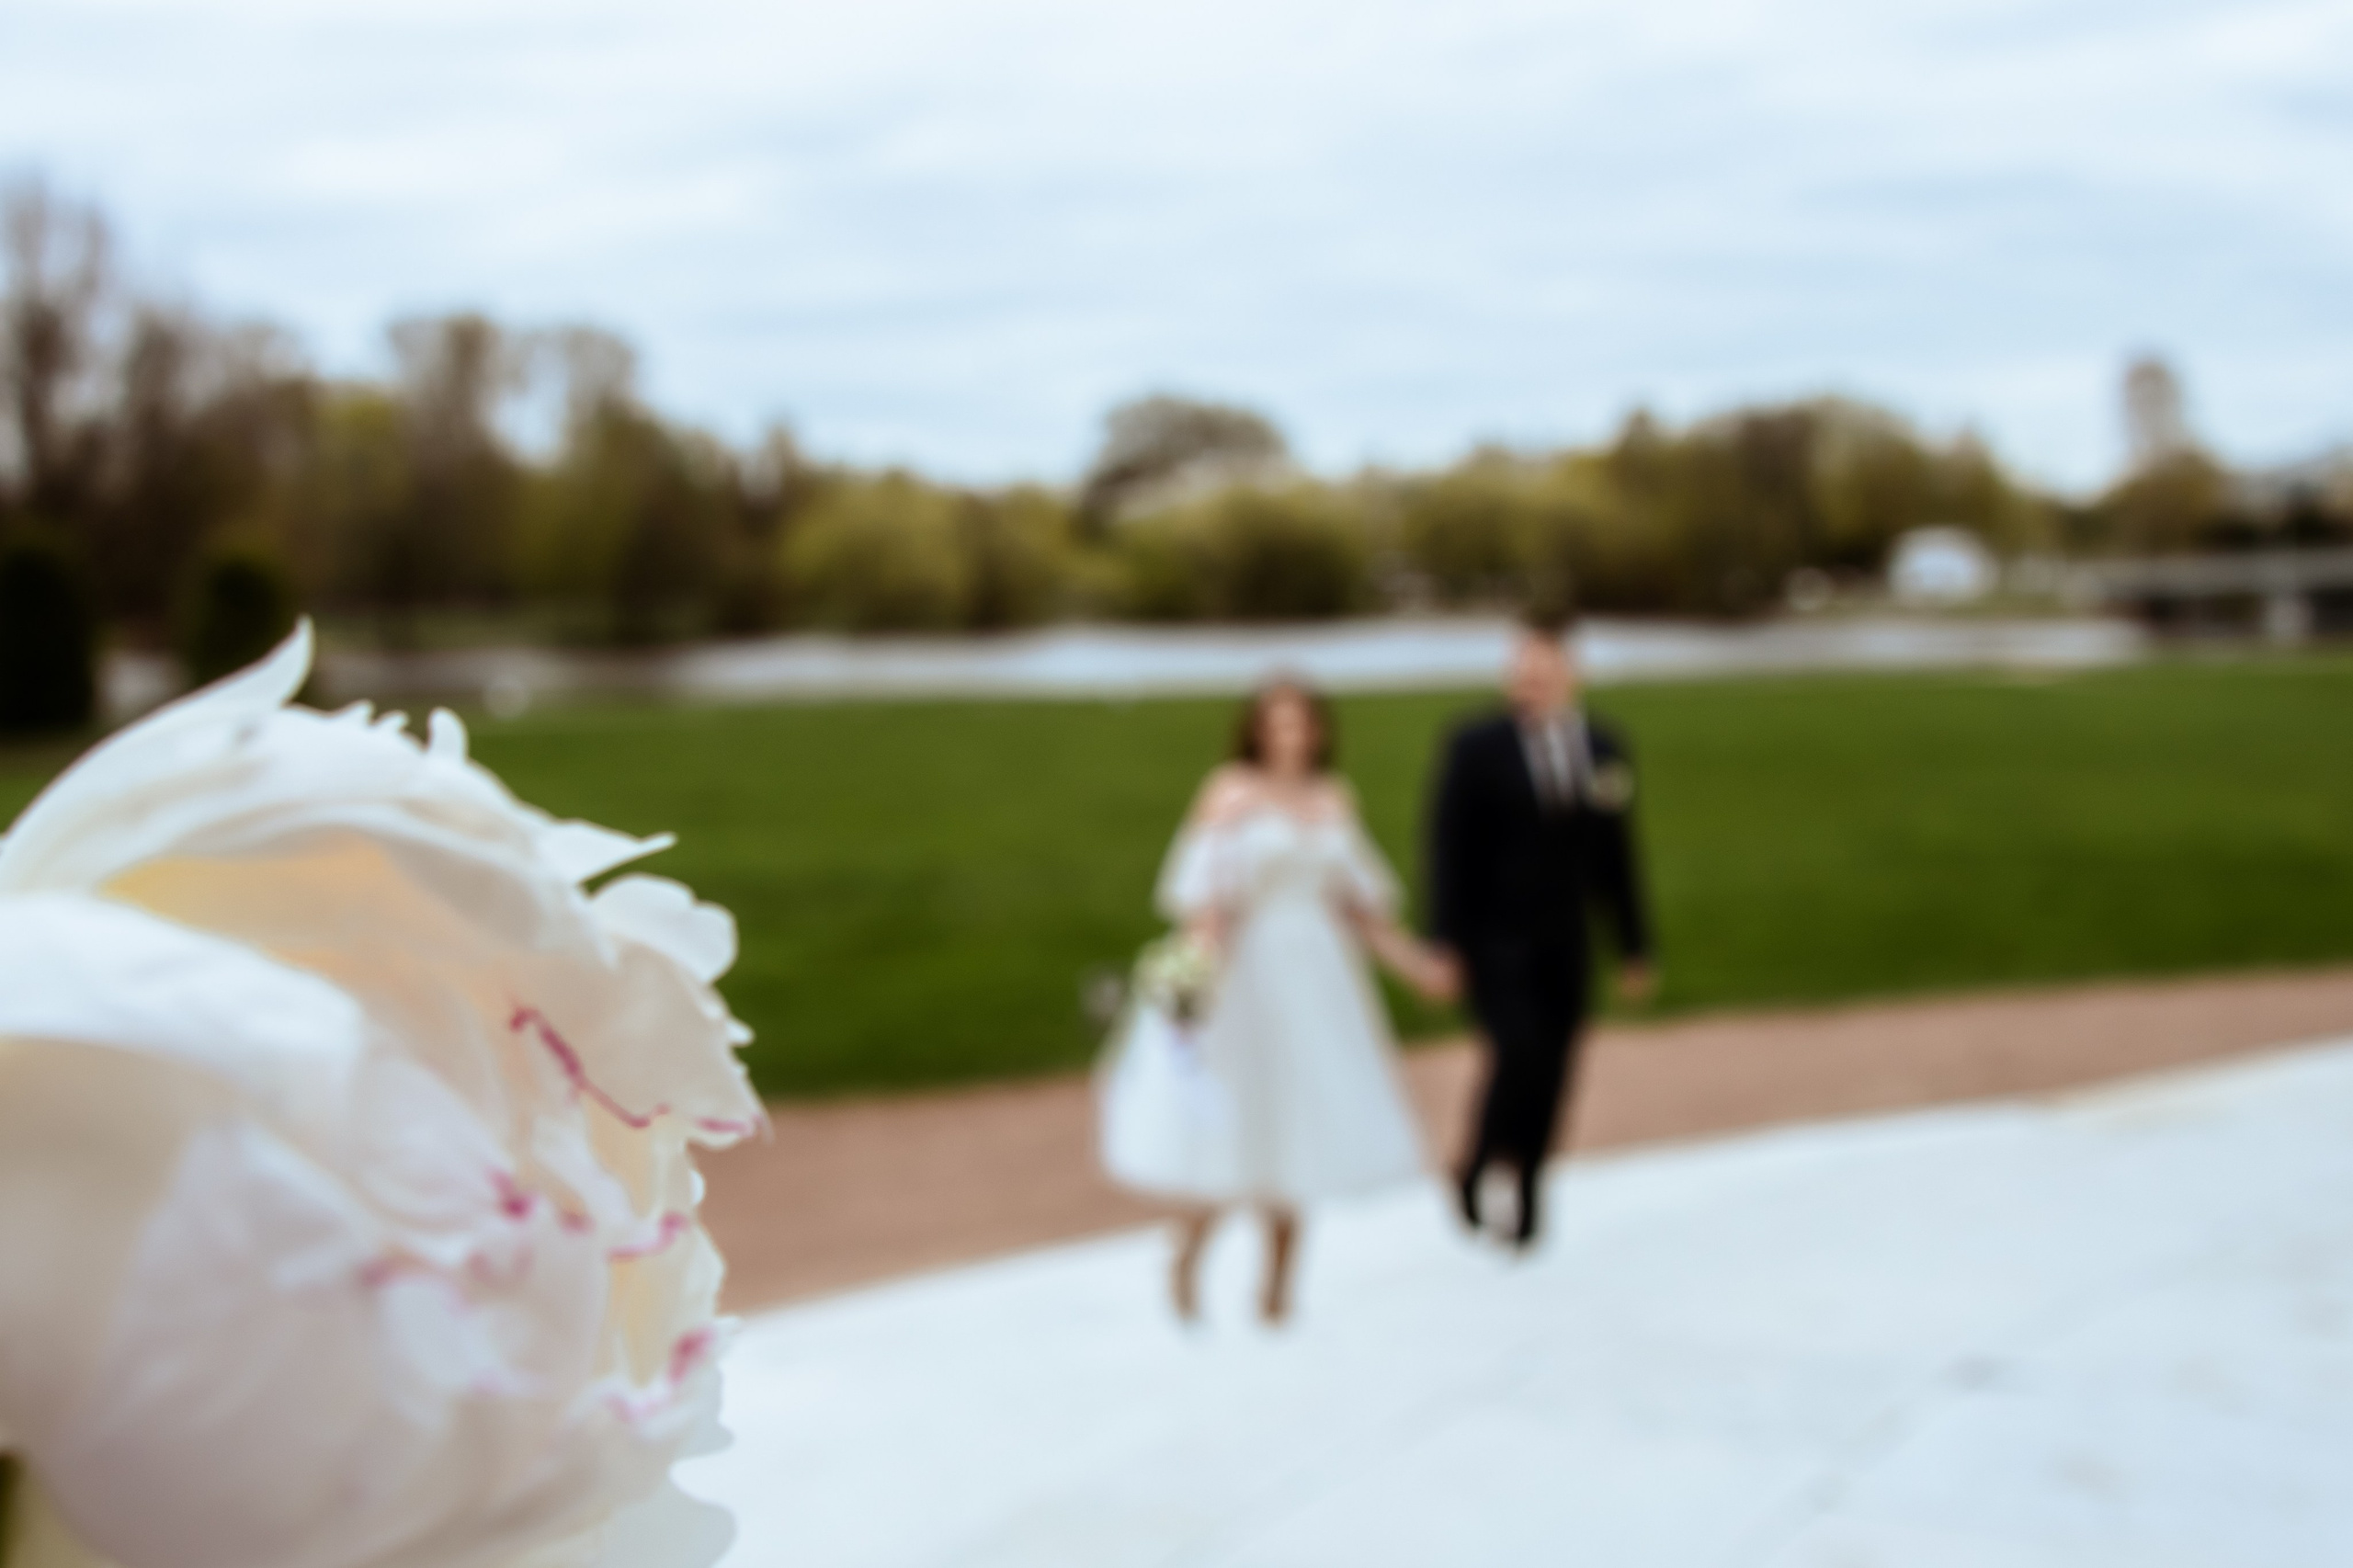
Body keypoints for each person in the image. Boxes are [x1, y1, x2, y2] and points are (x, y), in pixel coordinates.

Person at [1098, 678, 1454, 1324]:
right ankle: (1189, 1253)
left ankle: (1278, 1287)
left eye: (1301, 724)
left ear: (1318, 731)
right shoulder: (1229, 793)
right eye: (1276, 724)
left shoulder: (1333, 798)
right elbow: (1205, 907)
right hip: (1246, 980)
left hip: (1316, 982)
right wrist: (1183, 994)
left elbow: (1360, 908)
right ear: (1256, 731)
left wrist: (1416, 967)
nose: (1289, 737)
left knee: (1303, 1125)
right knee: (1234, 1125)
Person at [1426, 608, 1655, 1249]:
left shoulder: (1604, 748)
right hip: (1495, 938)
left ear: (1570, 672)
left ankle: (1528, 1180)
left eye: (1546, 667)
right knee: (1517, 1054)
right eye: (1523, 667)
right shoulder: (1474, 746)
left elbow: (1617, 856)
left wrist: (1634, 944)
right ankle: (1477, 1162)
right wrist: (1444, 943)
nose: (1533, 679)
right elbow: (1448, 848)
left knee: (1557, 1068)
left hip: (1567, 939)